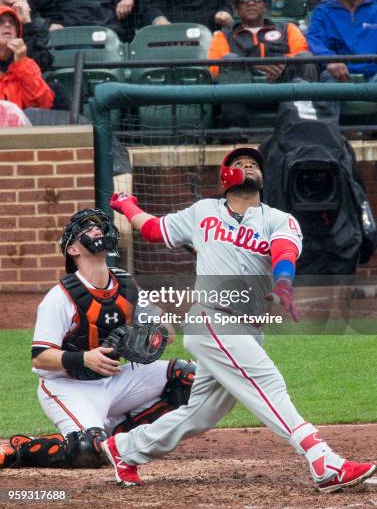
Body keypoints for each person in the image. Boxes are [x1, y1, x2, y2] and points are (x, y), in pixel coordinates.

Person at [102, 148, 376, 492]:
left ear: (262, 178)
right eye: (239, 164)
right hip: (211, 320)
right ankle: (323, 460)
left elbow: (284, 252)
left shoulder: (279, 219)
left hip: (248, 327)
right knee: (268, 383)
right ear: (225, 177)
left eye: (253, 164)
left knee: (199, 414)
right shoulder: (203, 212)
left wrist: (283, 282)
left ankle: (125, 449)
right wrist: (126, 205)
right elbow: (156, 230)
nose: (248, 167)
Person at [0, 208, 195, 469]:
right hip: (68, 387)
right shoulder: (60, 297)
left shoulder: (127, 286)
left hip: (115, 381)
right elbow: (40, 357)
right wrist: (85, 358)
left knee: (188, 378)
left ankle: (118, 433)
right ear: (72, 250)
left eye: (100, 228)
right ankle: (22, 449)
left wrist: (148, 334)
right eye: (87, 229)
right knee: (87, 451)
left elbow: (167, 333)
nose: (97, 231)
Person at [208, 0, 317, 82]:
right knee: (229, 59)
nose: (251, 3)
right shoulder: (223, 35)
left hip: (286, 88)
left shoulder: (288, 28)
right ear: (236, 8)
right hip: (243, 92)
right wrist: (250, 65)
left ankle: (305, 102)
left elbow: (301, 52)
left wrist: (281, 61)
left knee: (305, 58)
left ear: (265, 5)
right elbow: (214, 69)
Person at [307, 0, 377, 86]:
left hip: (374, 74)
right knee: (328, 80)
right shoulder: (322, 11)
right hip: (337, 74)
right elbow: (316, 40)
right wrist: (331, 60)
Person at [0, 6, 54, 110]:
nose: (7, 25)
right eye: (0, 22)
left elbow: (43, 104)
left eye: (12, 23)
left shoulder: (27, 64)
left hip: (24, 124)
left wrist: (21, 62)